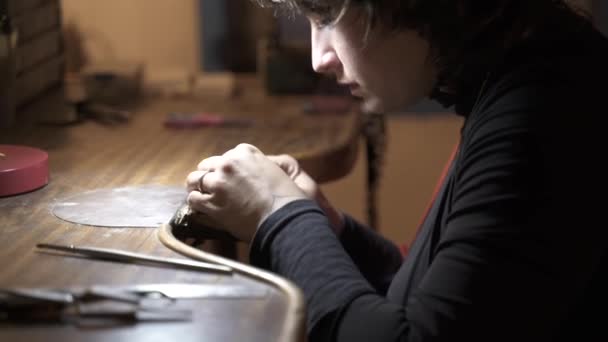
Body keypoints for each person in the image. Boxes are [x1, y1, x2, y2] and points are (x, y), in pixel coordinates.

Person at [185, 0, 608, 340]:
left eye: (329, 15)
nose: (319, 58)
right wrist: (326, 227)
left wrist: (278, 214)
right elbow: (434, 296)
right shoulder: (527, 78)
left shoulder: (543, 111)